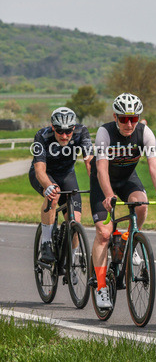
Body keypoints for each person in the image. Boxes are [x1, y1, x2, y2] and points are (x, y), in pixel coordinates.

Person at [90, 93, 156, 309]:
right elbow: (101, 168)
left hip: (127, 179)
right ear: (115, 117)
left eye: (133, 119)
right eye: (124, 119)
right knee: (104, 234)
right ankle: (100, 287)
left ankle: (130, 238)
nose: (129, 123)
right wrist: (108, 194)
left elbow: (154, 164)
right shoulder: (104, 132)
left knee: (141, 205)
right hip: (103, 182)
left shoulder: (145, 133)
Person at [30, 107, 94, 264]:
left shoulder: (82, 132)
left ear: (73, 127)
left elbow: (90, 162)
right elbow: (39, 170)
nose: (64, 136)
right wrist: (49, 186)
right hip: (44, 174)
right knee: (54, 193)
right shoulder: (42, 135)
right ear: (53, 127)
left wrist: (97, 184)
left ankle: (71, 261)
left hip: (66, 175)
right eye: (60, 131)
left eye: (68, 131)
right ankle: (46, 243)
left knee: (75, 221)